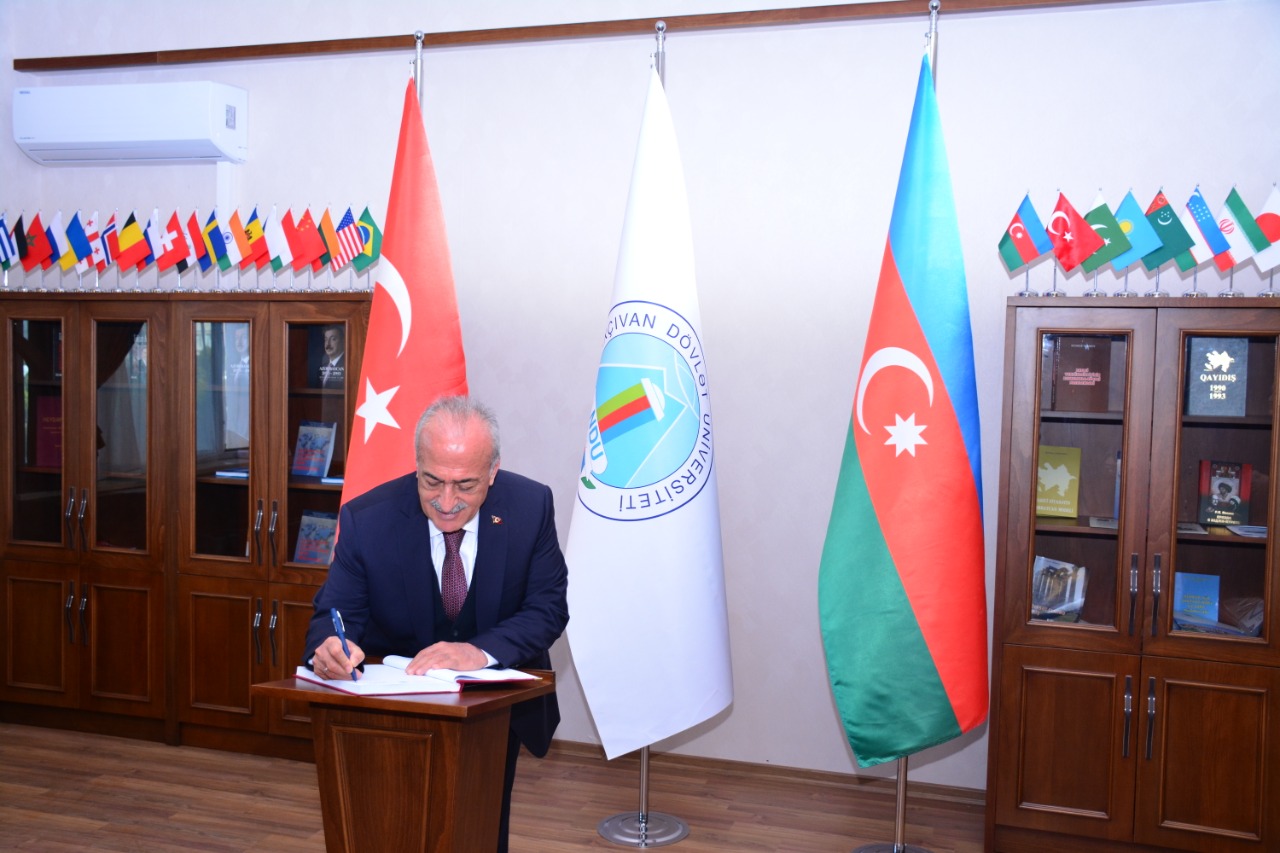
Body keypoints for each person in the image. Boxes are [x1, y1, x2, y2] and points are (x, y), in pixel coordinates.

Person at [304, 395, 569, 853]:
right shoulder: (368, 519)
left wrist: (478, 652)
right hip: (393, 713)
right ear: (417, 466)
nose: (447, 502)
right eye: (432, 481)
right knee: (392, 827)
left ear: (493, 471)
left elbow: (547, 608)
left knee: (482, 828)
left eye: (465, 484)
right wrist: (329, 645)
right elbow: (335, 613)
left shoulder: (530, 506)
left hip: (494, 710)